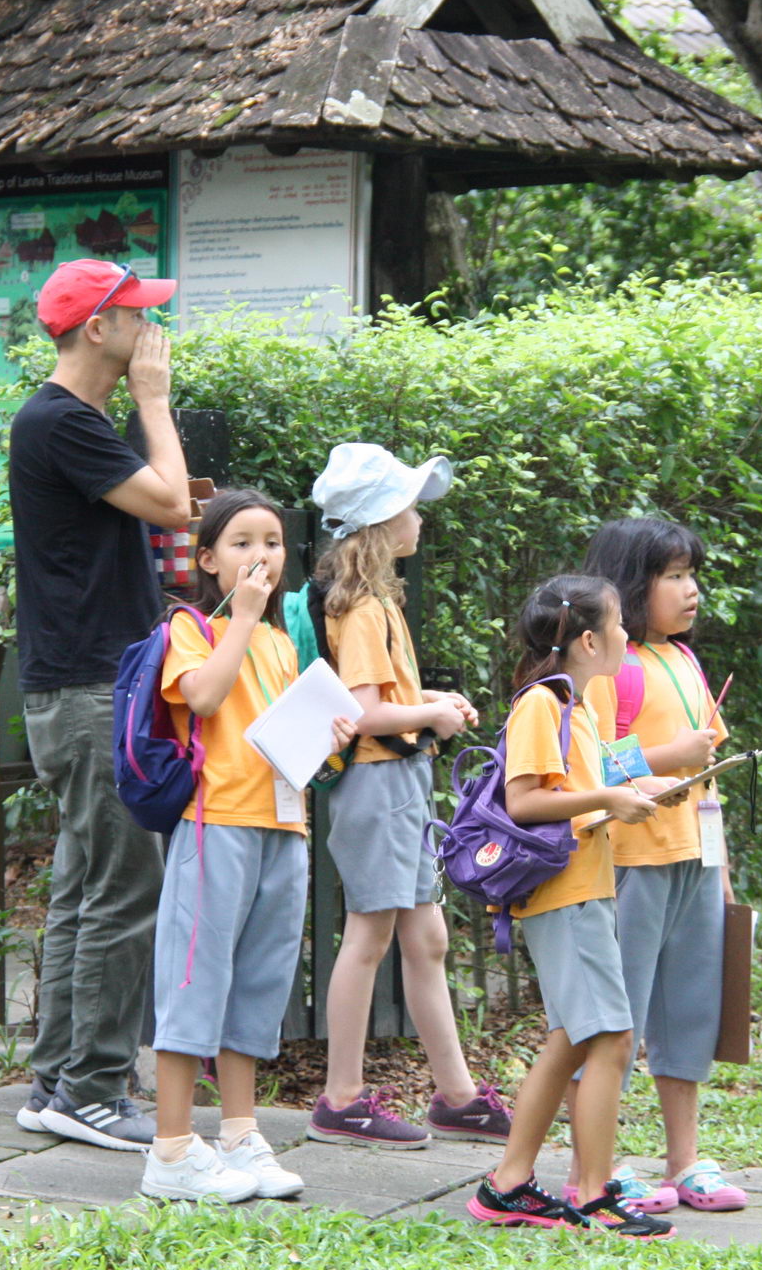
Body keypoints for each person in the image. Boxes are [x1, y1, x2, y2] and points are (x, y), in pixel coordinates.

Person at [9, 258, 191, 1151]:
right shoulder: (63, 423)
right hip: (87, 689)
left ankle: (59, 1081)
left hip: (79, 685)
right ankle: (91, 1087)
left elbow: (156, 501)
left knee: (86, 888)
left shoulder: (67, 426)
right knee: (126, 889)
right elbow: (172, 509)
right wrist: (155, 403)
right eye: (137, 319)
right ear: (98, 330)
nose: (151, 334)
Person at [141, 490, 359, 1201]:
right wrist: (239, 618)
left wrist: (329, 742)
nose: (260, 554)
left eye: (271, 541)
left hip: (283, 825)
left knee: (260, 988)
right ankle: (171, 1149)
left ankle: (240, 1135)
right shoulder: (194, 629)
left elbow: (292, 741)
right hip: (216, 825)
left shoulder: (280, 642)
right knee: (193, 980)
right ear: (207, 559)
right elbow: (202, 698)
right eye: (240, 542)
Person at [304, 443, 511, 1149]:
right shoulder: (364, 609)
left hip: (397, 784)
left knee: (426, 936)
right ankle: (342, 1097)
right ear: (384, 520)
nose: (419, 516)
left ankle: (455, 1096)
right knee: (371, 935)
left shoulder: (373, 603)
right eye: (409, 505)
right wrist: (430, 715)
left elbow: (379, 697)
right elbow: (362, 715)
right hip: (380, 784)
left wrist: (427, 700)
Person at [466, 576, 678, 1240]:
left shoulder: (578, 708)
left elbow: (590, 786)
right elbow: (527, 800)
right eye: (617, 626)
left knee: (578, 1038)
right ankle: (589, 1192)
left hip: (584, 891)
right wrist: (610, 802)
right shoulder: (542, 704)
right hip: (564, 896)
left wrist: (644, 788)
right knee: (608, 1036)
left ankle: (509, 1185)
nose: (624, 636)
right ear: (588, 640)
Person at [578, 518, 747, 1212]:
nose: (691, 590)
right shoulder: (605, 670)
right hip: (630, 863)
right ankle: (602, 1165)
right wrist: (664, 759)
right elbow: (583, 765)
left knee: (689, 1012)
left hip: (695, 863)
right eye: (674, 576)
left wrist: (723, 864)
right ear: (627, 586)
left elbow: (708, 775)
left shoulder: (685, 662)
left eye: (691, 575)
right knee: (615, 1016)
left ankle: (685, 1161)